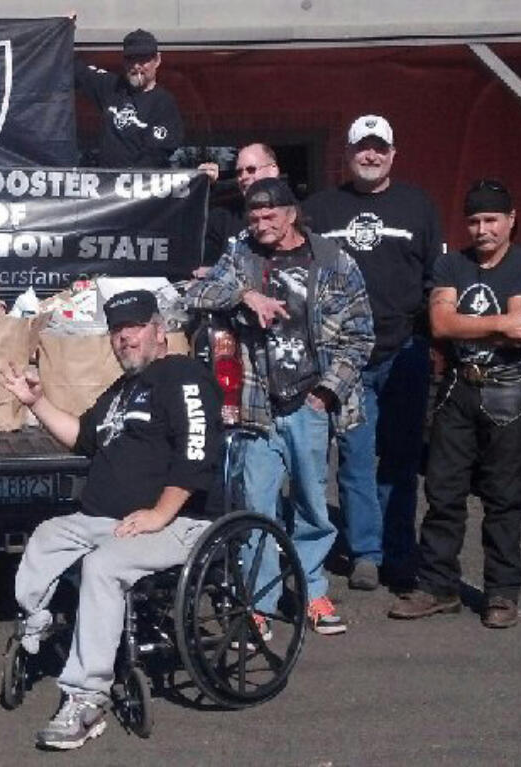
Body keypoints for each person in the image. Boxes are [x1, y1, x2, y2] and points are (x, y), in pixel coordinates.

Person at [2, 290, 222, 751]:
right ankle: (38, 621)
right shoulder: (122, 392)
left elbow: (197, 452)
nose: (125, 338)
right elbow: (81, 438)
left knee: (103, 567)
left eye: (135, 327)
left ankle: (86, 699)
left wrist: (159, 513)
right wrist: (34, 402)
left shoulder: (184, 376)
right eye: (117, 331)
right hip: (106, 521)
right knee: (47, 536)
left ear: (159, 331)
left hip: (177, 524)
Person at [180, 178, 375, 637]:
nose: (262, 224)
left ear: (292, 214)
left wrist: (328, 391)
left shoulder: (333, 260)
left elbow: (362, 334)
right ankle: (258, 601)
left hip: (310, 401)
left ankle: (311, 589)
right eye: (254, 217)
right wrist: (244, 294)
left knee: (312, 506)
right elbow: (194, 294)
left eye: (271, 216)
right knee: (257, 509)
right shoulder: (241, 256)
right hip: (257, 405)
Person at [388, 180, 521, 629]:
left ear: (511, 219)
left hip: (509, 389)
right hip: (458, 388)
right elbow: (441, 324)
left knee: (502, 494)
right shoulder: (450, 264)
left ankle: (501, 592)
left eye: (492, 220)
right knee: (443, 492)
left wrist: (468, 323)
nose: (483, 229)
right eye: (475, 221)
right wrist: (498, 322)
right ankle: (438, 586)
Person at [303, 115, 444, 591]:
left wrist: (433, 342)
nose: (370, 155)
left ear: (392, 154)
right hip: (347, 359)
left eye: (379, 148)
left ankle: (399, 550)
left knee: (401, 459)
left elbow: (436, 280)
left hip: (403, 351)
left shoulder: (418, 206)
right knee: (356, 458)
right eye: (362, 148)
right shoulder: (321, 210)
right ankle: (366, 552)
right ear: (346, 154)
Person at [74, 28, 183, 168]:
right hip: (105, 185)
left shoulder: (164, 104)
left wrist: (128, 179)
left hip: (142, 186)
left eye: (143, 59)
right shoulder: (111, 87)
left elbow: (156, 154)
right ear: (124, 61)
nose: (136, 66)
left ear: (157, 60)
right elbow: (75, 70)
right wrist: (63, 28)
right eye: (131, 59)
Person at [202, 142, 282, 270]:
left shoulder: (298, 214)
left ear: (273, 170)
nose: (243, 177)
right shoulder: (222, 220)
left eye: (251, 170)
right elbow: (205, 271)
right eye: (239, 172)